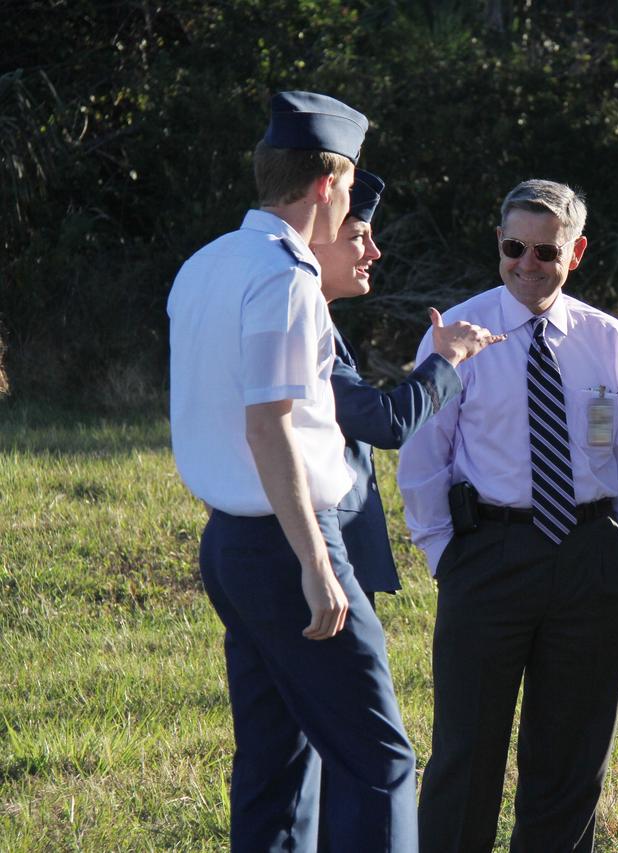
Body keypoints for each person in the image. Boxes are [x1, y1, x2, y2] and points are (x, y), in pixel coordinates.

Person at [168, 92, 418, 851]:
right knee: (379, 759)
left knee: (277, 763)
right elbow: (267, 424)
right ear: (326, 184)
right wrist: (316, 562)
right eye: (350, 188)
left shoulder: (206, 263)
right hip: (287, 542)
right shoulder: (287, 276)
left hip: (231, 544)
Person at [397, 178, 618, 852]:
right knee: (466, 754)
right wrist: (445, 555)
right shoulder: (455, 334)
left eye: (546, 252)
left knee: (571, 759)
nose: (527, 263)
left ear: (575, 254)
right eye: (515, 246)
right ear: (499, 243)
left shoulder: (607, 340)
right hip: (488, 554)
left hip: (589, 559)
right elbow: (424, 456)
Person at [312, 169, 502, 610]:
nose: (375, 253)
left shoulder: (318, 320)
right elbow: (386, 423)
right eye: (359, 237)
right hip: (322, 555)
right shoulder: (306, 327)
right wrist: (448, 360)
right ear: (315, 240)